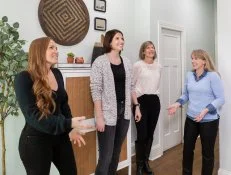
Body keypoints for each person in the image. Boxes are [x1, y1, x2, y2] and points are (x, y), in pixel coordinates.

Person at [14, 37, 92, 175]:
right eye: (51, 47)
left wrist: (70, 128)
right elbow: (33, 116)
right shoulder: (23, 78)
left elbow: (63, 105)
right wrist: (68, 124)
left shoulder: (57, 73)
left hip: (60, 137)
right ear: (38, 51)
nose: (56, 50)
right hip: (35, 141)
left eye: (56, 48)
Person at [168, 49, 225, 175]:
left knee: (207, 153)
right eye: (192, 58)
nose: (193, 61)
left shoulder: (213, 76)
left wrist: (206, 110)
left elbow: (221, 99)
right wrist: (177, 104)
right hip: (191, 119)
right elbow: (186, 95)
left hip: (209, 121)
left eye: (196, 58)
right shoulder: (189, 75)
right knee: (187, 150)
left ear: (204, 61)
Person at [90, 29, 134, 175]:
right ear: (109, 41)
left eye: (122, 38)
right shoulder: (100, 62)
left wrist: (137, 107)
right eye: (117, 38)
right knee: (106, 156)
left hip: (124, 112)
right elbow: (95, 90)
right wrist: (99, 117)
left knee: (116, 153)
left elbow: (131, 86)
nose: (121, 41)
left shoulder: (127, 62)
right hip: (107, 114)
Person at [132, 41, 161, 175]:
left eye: (152, 47)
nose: (151, 49)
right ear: (143, 51)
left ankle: (145, 163)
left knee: (150, 134)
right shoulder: (138, 65)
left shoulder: (159, 66)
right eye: (148, 48)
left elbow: (156, 86)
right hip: (141, 102)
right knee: (142, 135)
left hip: (154, 101)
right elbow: (131, 86)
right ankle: (138, 165)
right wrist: (136, 105)